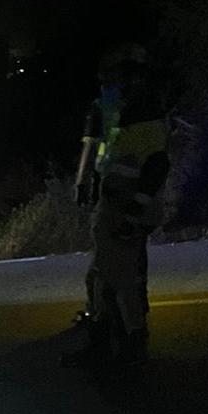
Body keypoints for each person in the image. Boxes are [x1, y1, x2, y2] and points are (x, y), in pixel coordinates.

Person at [64, 46, 170, 369]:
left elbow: (155, 168)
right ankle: (105, 344)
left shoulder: (145, 115)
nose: (116, 84)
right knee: (102, 277)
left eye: (122, 78)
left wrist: (133, 214)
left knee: (121, 282)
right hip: (114, 206)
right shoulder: (127, 112)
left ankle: (130, 349)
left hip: (123, 210)